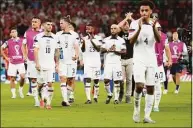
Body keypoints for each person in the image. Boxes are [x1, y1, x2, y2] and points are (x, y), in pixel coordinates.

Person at [129, 0, 161, 123]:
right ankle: (136, 109)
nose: (144, 12)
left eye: (146, 10)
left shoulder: (155, 24)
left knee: (151, 88)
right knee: (139, 85)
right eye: (142, 10)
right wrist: (139, 29)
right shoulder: (135, 24)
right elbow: (131, 42)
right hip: (139, 59)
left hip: (151, 59)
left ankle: (147, 116)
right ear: (139, 11)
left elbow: (158, 40)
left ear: (151, 11)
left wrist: (153, 28)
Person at [34, 19, 60, 109]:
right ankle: (41, 99)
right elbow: (35, 50)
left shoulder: (55, 37)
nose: (50, 26)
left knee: (50, 84)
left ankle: (48, 103)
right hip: (41, 64)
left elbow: (57, 51)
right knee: (40, 85)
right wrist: (37, 63)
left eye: (51, 25)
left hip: (51, 65)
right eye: (48, 24)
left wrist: (57, 63)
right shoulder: (38, 37)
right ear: (44, 26)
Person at [56, 16, 79, 107]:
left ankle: (67, 97)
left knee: (70, 80)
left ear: (67, 24)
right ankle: (65, 100)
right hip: (62, 61)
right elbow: (57, 50)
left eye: (61, 23)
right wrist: (57, 63)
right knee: (63, 78)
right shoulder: (58, 34)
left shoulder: (74, 34)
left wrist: (77, 55)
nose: (60, 24)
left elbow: (76, 46)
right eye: (60, 23)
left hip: (72, 61)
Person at [101, 24, 126, 104]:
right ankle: (109, 94)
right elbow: (101, 50)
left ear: (118, 30)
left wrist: (116, 51)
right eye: (111, 28)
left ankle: (116, 98)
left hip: (117, 62)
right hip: (108, 62)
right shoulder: (106, 39)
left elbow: (124, 51)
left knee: (117, 81)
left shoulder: (121, 40)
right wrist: (108, 49)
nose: (113, 30)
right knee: (106, 80)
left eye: (115, 28)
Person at [1, 27, 26, 99]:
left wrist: (25, 55)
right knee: (12, 79)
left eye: (15, 31)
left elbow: (26, 48)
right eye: (12, 32)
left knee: (23, 77)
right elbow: (1, 48)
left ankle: (20, 89)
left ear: (17, 33)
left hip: (20, 62)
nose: (14, 33)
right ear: (10, 34)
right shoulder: (8, 42)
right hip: (12, 63)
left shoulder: (22, 41)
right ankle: (14, 94)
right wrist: (6, 58)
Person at [81, 23, 102, 104]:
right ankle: (89, 99)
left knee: (96, 80)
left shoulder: (99, 38)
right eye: (86, 29)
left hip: (96, 62)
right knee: (88, 79)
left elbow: (98, 49)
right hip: (88, 62)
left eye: (89, 28)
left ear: (93, 29)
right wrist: (83, 42)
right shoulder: (84, 38)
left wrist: (91, 40)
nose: (87, 30)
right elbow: (82, 50)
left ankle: (95, 96)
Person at [23, 17, 42, 106]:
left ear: (39, 23)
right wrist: (25, 56)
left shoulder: (43, 33)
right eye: (32, 22)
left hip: (42, 60)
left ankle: (42, 97)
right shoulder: (27, 33)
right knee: (33, 80)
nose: (33, 23)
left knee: (42, 81)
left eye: (35, 22)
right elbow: (23, 45)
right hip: (31, 60)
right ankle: (36, 101)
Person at [153, 25, 172, 112]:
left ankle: (156, 105)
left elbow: (167, 49)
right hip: (147, 64)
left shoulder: (164, 36)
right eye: (157, 28)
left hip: (158, 64)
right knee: (146, 86)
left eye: (159, 28)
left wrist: (170, 60)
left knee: (157, 85)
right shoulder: (148, 34)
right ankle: (149, 104)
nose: (158, 30)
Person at [117, 12, 134, 103]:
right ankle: (121, 94)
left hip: (130, 59)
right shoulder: (119, 34)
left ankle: (128, 96)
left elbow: (138, 25)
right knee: (121, 80)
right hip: (121, 59)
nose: (126, 25)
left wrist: (130, 18)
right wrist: (126, 19)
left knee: (129, 79)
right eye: (124, 24)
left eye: (127, 24)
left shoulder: (133, 33)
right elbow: (118, 26)